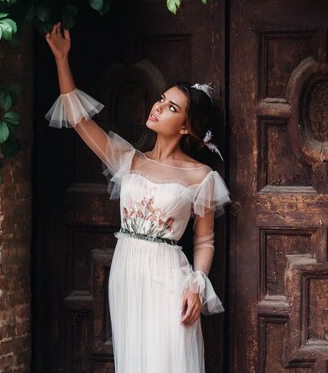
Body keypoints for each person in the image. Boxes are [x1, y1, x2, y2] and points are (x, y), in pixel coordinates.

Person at [45, 22, 231, 373]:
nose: (159, 107)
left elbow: (205, 239)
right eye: (162, 99)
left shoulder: (200, 176)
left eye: (172, 108)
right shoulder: (129, 159)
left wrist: (196, 285)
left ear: (187, 127)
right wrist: (61, 60)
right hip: (126, 271)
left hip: (169, 278)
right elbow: (79, 120)